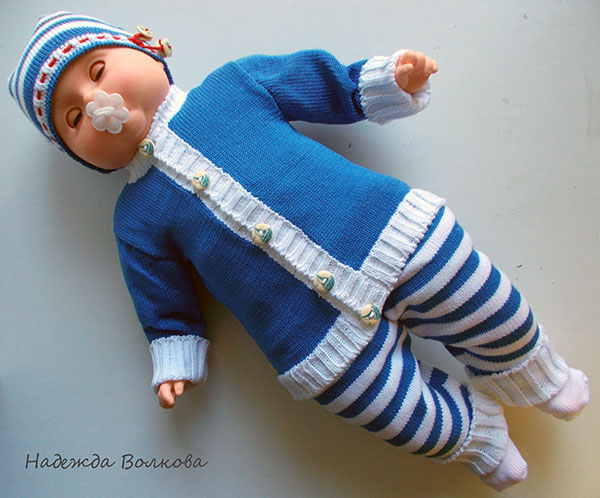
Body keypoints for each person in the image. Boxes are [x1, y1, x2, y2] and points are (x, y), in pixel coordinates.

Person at [8, 11, 590, 491]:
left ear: (148, 49)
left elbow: (320, 85)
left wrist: (387, 81)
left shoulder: (232, 87)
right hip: (310, 338)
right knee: (389, 409)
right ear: (80, 156)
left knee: (480, 301)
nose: (99, 101)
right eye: (74, 117)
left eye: (99, 70)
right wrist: (176, 357)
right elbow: (160, 296)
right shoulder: (136, 218)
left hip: (390, 235)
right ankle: (474, 436)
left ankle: (533, 370)